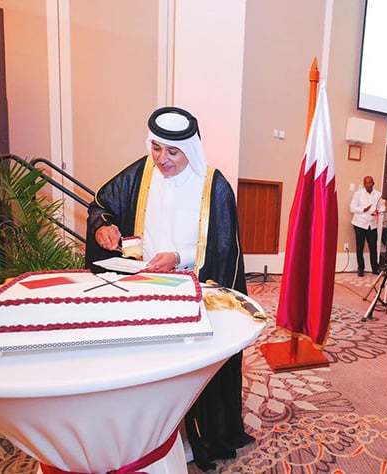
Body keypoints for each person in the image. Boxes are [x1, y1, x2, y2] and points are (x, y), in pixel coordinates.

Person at [85, 106, 253, 471]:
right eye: (157, 148)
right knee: (146, 368)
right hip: (144, 288)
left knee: (184, 371)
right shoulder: (141, 173)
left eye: (172, 151)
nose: (162, 159)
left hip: (191, 291)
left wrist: (177, 256)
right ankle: (149, 434)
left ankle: (195, 436)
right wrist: (103, 226)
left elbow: (223, 248)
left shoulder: (213, 185)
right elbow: (102, 204)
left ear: (189, 150)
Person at [349, 175, 384, 276]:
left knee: (373, 247)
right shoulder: (358, 194)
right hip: (359, 223)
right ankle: (361, 268)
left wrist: (378, 211)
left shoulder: (378, 195)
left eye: (370, 182)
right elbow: (352, 208)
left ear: (373, 183)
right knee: (360, 247)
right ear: (364, 184)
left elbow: (382, 206)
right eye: (366, 183)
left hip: (372, 224)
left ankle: (375, 268)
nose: (368, 184)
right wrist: (363, 209)